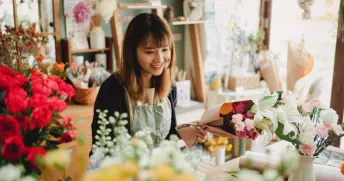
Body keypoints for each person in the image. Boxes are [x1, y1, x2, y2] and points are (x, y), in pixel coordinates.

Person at [91, 13, 206, 155]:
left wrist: (186, 133)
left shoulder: (170, 86)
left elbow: (166, 136)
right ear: (132, 52)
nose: (159, 59)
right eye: (149, 51)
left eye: (165, 49)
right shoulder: (113, 89)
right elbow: (101, 150)